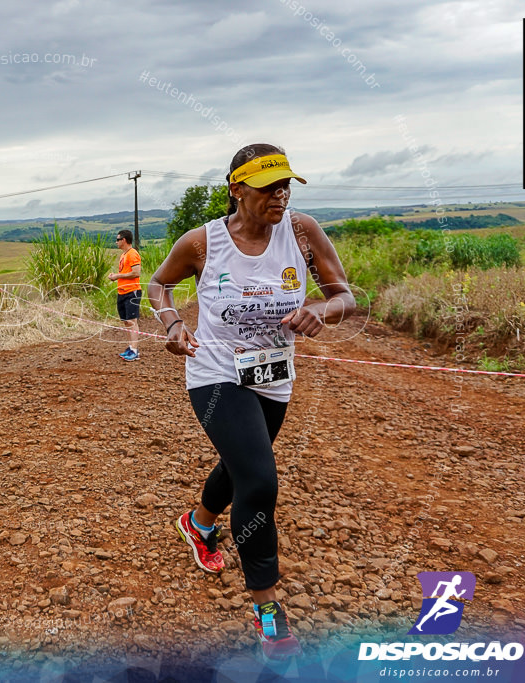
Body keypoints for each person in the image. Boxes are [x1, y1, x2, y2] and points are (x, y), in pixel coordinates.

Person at [148, 143, 355, 660]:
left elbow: (345, 294)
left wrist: (323, 312)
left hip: (273, 374)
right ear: (237, 189)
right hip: (215, 373)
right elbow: (159, 285)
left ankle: (197, 523)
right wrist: (172, 324)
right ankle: (268, 611)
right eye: (269, 187)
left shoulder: (303, 232)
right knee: (259, 479)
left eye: (286, 185)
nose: (280, 195)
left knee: (241, 464)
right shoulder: (202, 243)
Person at [108, 229, 142, 361]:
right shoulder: (123, 255)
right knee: (126, 322)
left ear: (124, 240)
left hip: (131, 292)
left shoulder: (133, 254)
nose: (116, 242)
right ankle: (131, 347)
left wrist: (117, 276)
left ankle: (134, 350)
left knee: (132, 321)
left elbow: (136, 273)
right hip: (122, 292)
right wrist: (116, 277)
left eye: (117, 239)